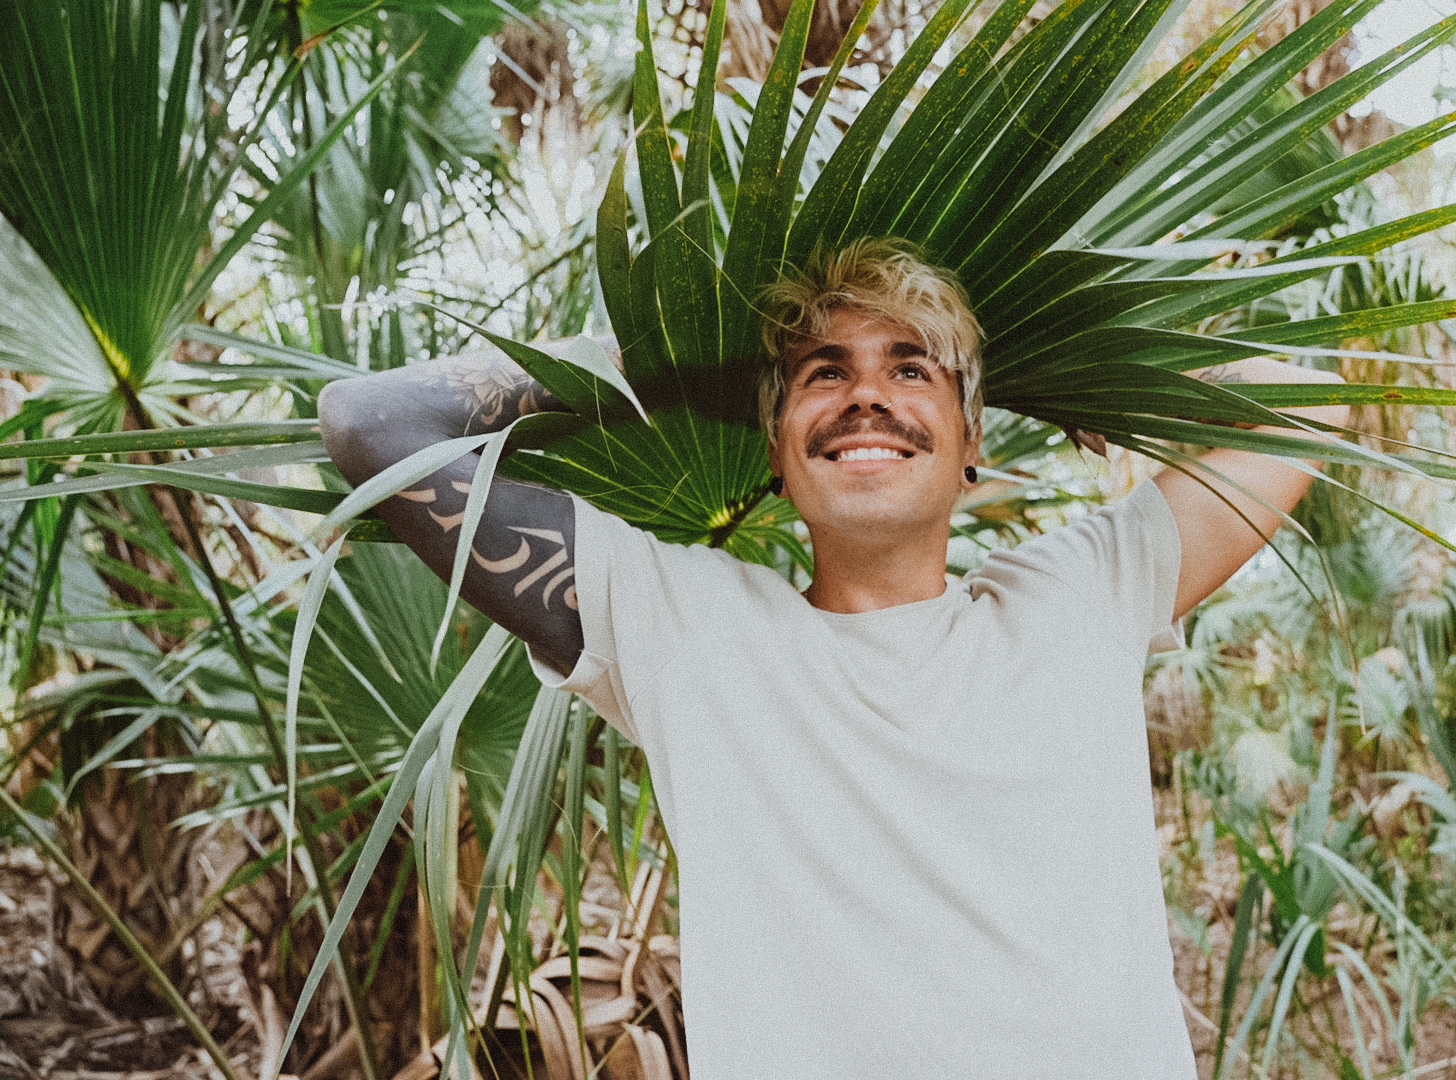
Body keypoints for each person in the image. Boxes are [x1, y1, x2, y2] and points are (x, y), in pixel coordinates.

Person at [317, 237, 1347, 1079]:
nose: (867, 396)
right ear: (773, 442)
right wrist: (664, 352)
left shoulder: (1083, 590)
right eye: (824, 373)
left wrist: (1083, 357)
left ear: (972, 434)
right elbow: (371, 422)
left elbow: (1308, 405)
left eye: (911, 368)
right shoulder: (682, 625)